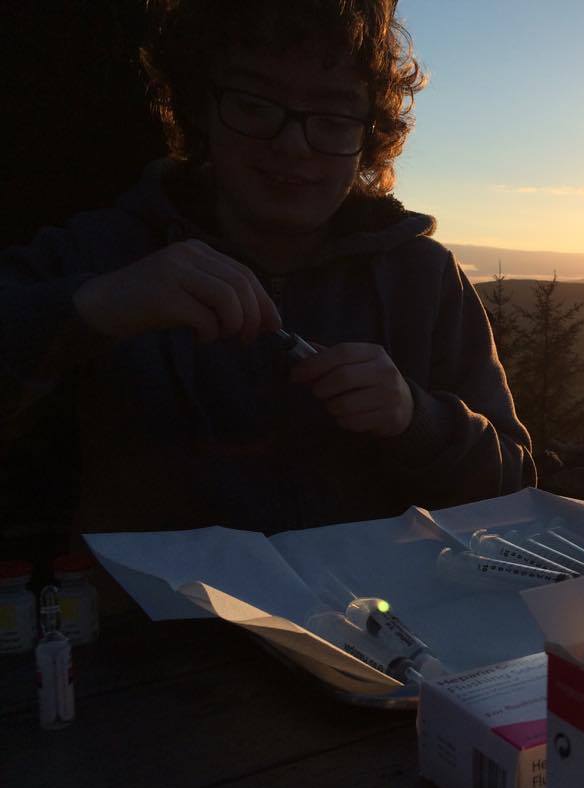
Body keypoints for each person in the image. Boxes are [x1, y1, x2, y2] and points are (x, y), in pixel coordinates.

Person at [0, 0, 535, 536]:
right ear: (201, 108)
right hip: (148, 594)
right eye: (255, 105)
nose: (293, 145)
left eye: (332, 119)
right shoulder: (103, 252)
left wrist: (415, 419)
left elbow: (513, 484)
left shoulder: (425, 278)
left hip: (378, 595)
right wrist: (89, 309)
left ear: (368, 137)